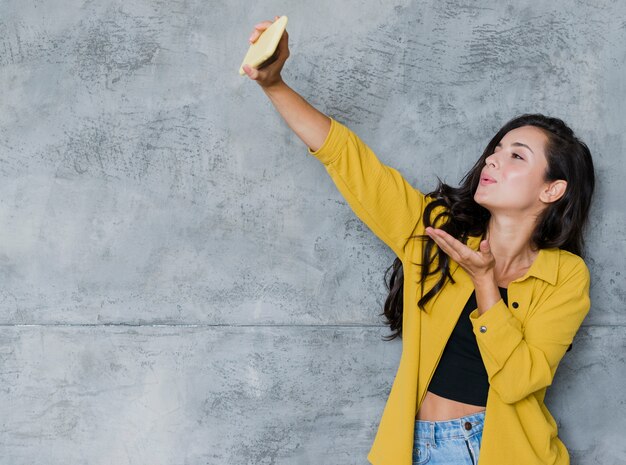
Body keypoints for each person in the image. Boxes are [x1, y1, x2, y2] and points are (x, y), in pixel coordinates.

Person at [242, 17, 595, 465]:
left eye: (516, 156)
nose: (493, 159)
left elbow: (519, 382)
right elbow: (350, 162)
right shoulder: (436, 231)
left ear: (552, 190)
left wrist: (485, 284)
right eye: (497, 149)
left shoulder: (565, 277)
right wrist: (274, 85)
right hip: (417, 448)